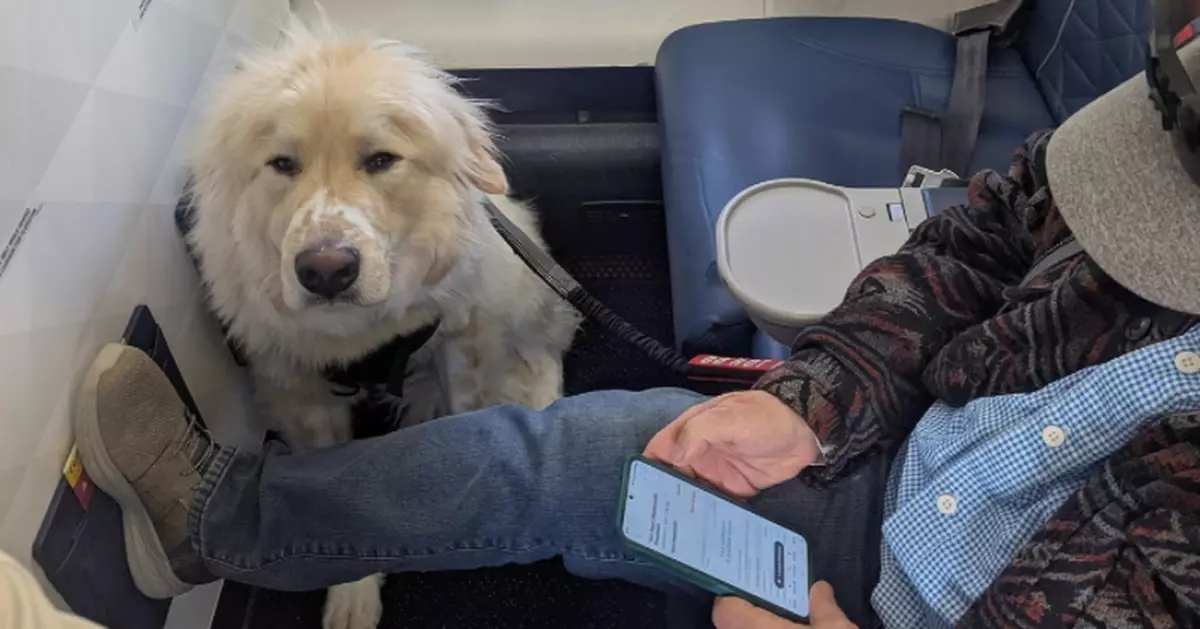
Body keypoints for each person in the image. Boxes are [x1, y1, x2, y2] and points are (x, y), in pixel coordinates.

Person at [11, 14, 1200, 629]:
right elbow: (977, 242)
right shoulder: (1152, 126)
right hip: (889, 467)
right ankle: (215, 519)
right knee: (554, 456)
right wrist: (814, 395)